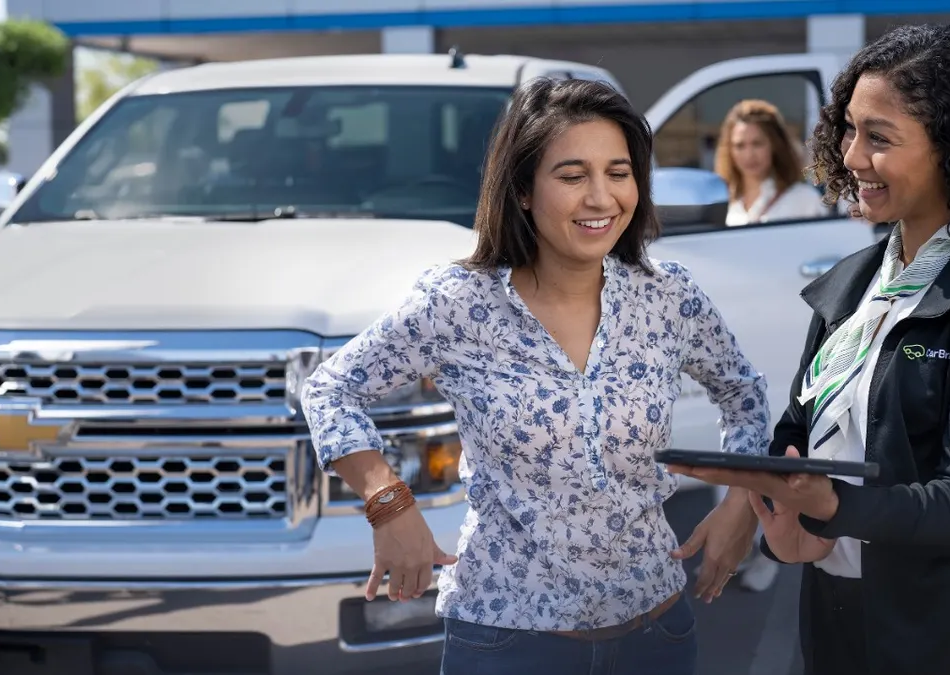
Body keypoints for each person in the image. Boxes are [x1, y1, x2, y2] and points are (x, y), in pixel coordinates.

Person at [300, 76, 771, 675]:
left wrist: (742, 502)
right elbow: (330, 389)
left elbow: (743, 390)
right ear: (522, 190)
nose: (601, 198)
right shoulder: (459, 303)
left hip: (658, 632)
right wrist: (389, 505)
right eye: (573, 177)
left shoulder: (667, 295)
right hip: (507, 640)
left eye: (619, 173)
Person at [668, 23, 950, 675]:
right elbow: (797, 429)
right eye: (850, 129)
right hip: (836, 629)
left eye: (879, 137)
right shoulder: (853, 285)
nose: (852, 156)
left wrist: (831, 505)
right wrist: (778, 509)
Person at [715, 99, 830, 226]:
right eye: (740, 146)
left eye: (757, 143)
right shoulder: (723, 205)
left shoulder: (804, 200)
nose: (749, 155)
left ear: (775, 145)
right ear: (729, 150)